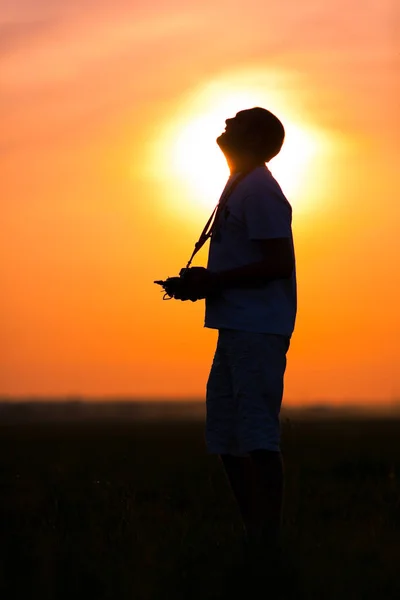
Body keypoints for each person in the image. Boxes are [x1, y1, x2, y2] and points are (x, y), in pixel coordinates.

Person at [174, 107, 297, 557]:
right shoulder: (240, 185)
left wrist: (213, 283)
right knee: (226, 436)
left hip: (257, 331)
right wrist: (203, 283)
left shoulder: (260, 191)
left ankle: (268, 543)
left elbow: (278, 263)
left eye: (239, 120)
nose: (227, 121)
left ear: (258, 136)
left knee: (257, 435)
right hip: (236, 328)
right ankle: (255, 538)